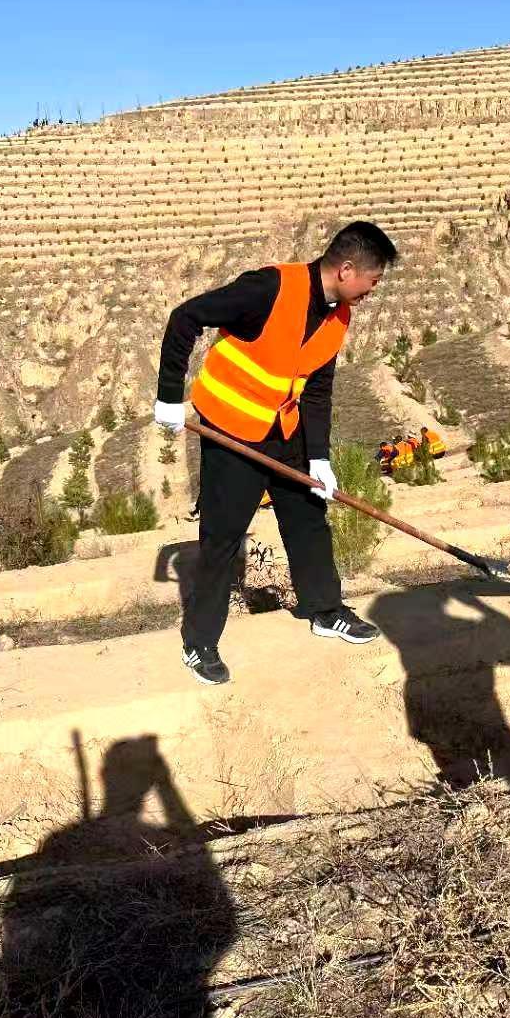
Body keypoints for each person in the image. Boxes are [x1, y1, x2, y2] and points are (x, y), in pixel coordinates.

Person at [155, 221, 398, 685]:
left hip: (283, 429)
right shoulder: (270, 288)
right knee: (224, 537)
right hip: (230, 427)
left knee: (308, 518)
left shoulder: (338, 316)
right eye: (373, 280)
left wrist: (319, 457)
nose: (373, 290)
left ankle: (325, 610)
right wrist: (169, 395)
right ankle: (199, 642)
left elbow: (317, 389)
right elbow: (186, 316)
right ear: (347, 269)